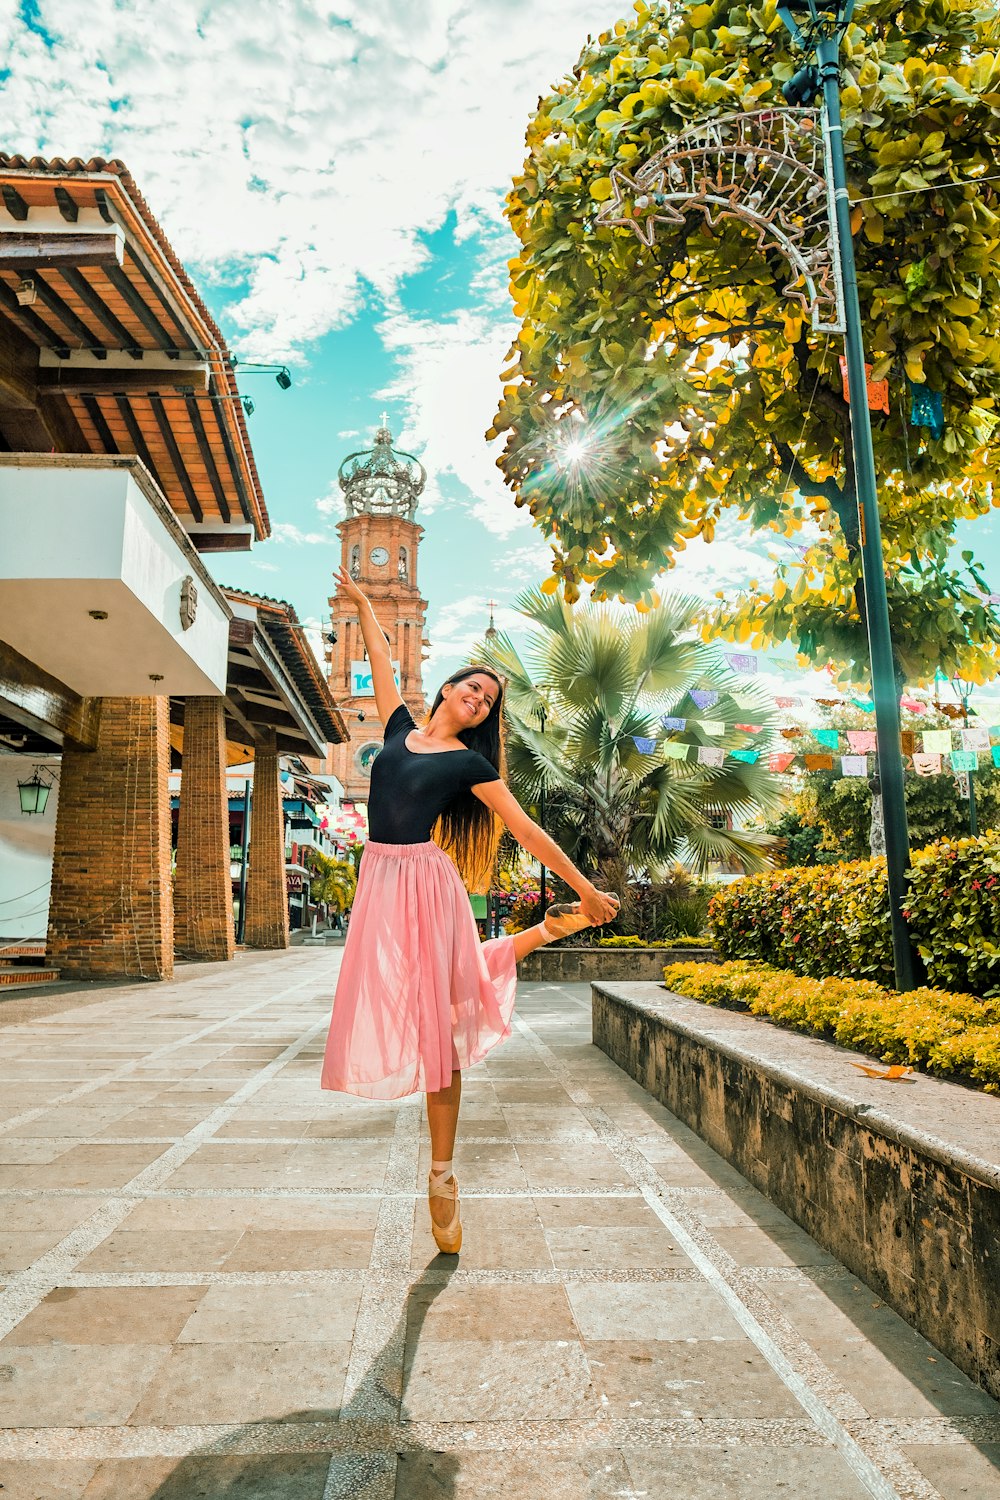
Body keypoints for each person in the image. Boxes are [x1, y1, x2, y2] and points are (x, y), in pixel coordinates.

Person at [321, 567, 618, 1253]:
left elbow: (526, 831)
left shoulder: (468, 765)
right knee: (418, 1002)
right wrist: (365, 603)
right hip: (381, 881)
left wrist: (585, 884)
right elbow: (380, 659)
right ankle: (544, 931)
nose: (479, 700)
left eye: (488, 701)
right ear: (449, 687)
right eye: (473, 687)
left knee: (445, 1022)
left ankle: (443, 1176)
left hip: (427, 882)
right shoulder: (397, 727)